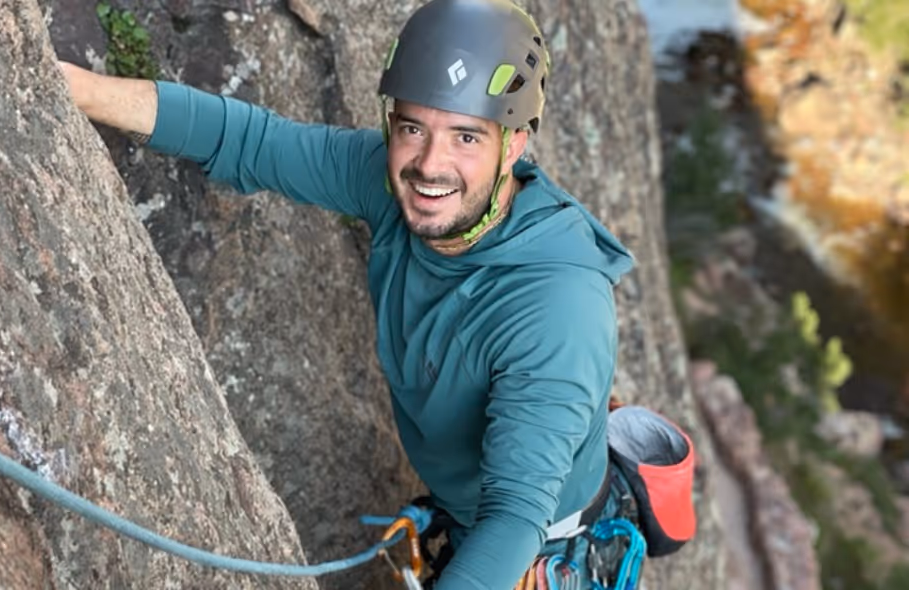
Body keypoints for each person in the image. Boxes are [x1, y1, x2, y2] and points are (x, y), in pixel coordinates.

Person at [60, 0, 636, 588]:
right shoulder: (391, 181)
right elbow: (250, 140)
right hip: (474, 515)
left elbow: (514, 519)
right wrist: (72, 88)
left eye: (466, 136)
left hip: (536, 552)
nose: (430, 165)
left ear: (512, 146)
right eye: (414, 128)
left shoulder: (558, 310)